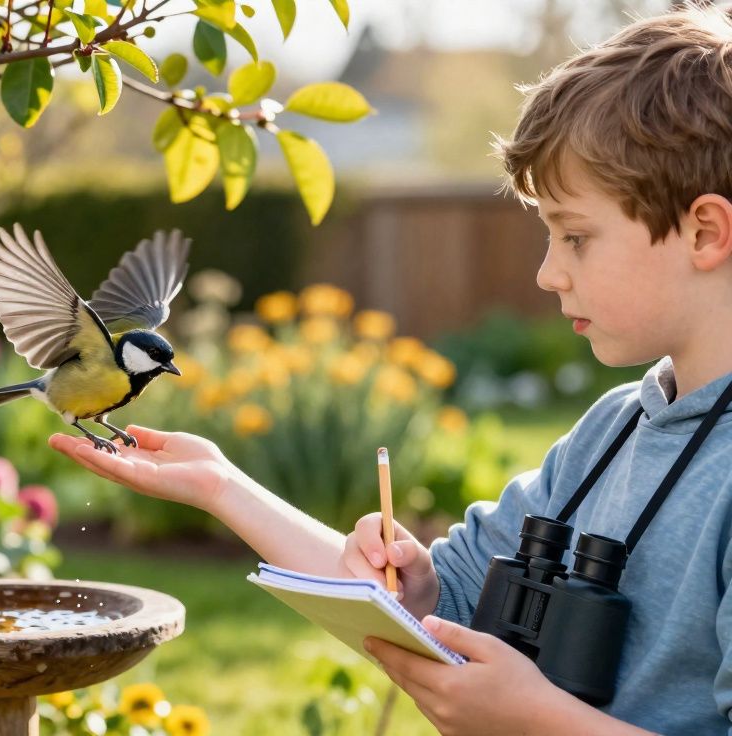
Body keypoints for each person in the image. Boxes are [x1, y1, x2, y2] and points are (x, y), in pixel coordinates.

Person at [49, 6, 732, 734]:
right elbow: (421, 603)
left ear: (705, 232)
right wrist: (223, 488)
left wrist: (534, 720)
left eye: (575, 237)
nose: (547, 273)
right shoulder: (612, 432)